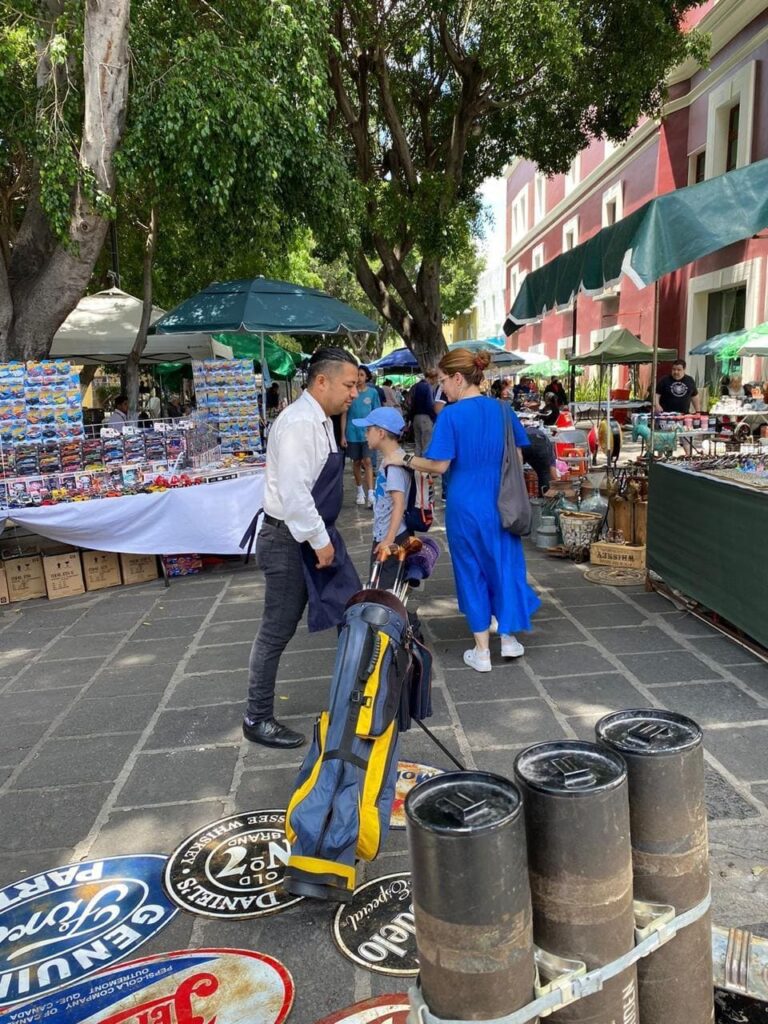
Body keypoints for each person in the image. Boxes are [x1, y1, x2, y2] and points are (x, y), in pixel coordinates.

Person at [384, 348, 540, 672]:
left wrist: (406, 458)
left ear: (458, 377)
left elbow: (439, 466)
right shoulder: (502, 409)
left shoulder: (451, 416)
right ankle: (508, 638)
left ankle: (482, 651)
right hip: (502, 503)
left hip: (464, 506)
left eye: (443, 381)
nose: (442, 389)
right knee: (504, 565)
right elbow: (518, 459)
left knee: (471, 570)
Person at [242, 347, 361, 748]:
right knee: (276, 630)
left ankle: (359, 697)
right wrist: (321, 541)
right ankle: (256, 717)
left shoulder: (323, 420)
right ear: (321, 381)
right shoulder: (297, 423)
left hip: (313, 535)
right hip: (290, 540)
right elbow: (294, 494)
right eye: (348, 385)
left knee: (353, 606)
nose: (354, 394)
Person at [352, 406, 410, 589]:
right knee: (385, 589)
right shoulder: (392, 460)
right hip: (386, 534)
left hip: (392, 538)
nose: (365, 435)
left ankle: (407, 618)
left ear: (381, 432)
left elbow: (399, 504)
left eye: (368, 430)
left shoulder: (393, 466)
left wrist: (389, 540)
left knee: (385, 592)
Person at [346, 365, 381, 507]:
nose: (359, 378)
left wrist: (377, 431)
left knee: (367, 461)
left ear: (366, 377)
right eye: (357, 375)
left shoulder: (372, 393)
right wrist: (343, 435)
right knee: (356, 462)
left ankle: (371, 493)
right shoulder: (350, 393)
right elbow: (344, 413)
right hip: (352, 432)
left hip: (368, 433)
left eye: (361, 375)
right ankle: (360, 491)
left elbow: (377, 412)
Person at [410, 369, 438, 455]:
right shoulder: (428, 387)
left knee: (418, 444)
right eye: (436, 379)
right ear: (432, 378)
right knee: (427, 444)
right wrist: (434, 417)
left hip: (415, 418)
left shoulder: (415, 386)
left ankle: (416, 466)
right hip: (426, 418)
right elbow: (430, 404)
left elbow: (411, 403)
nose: (436, 381)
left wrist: (410, 418)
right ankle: (424, 467)